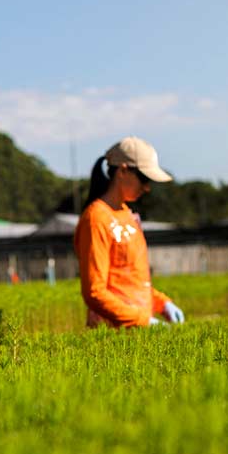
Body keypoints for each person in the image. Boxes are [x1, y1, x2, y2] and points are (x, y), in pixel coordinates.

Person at [73, 136, 184, 328]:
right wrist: (143, 322)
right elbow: (94, 292)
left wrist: (162, 303)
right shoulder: (96, 219)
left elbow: (131, 280)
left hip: (138, 333)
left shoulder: (127, 215)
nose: (147, 188)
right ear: (123, 171)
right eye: (144, 179)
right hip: (113, 338)